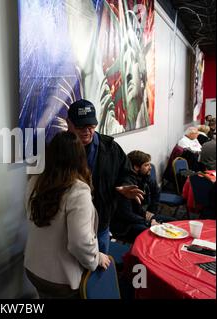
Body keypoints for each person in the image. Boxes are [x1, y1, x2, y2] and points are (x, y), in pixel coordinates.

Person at [24, 131, 111, 299]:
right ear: (80, 157)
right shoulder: (78, 191)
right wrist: (96, 258)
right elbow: (80, 243)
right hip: (60, 279)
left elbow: (31, 217)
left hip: (34, 268)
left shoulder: (35, 181)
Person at [65, 99, 143, 254]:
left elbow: (127, 173)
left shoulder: (110, 148)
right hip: (71, 226)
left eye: (91, 126)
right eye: (81, 126)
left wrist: (125, 185)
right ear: (69, 123)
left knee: (100, 270)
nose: (87, 131)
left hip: (102, 223)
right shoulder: (60, 150)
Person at [111, 151, 176, 242]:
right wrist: (148, 222)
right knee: (157, 235)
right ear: (136, 167)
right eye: (146, 165)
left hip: (141, 216)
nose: (150, 168)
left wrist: (151, 212)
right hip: (126, 225)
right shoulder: (126, 185)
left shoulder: (145, 177)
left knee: (174, 222)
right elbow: (126, 214)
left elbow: (156, 194)